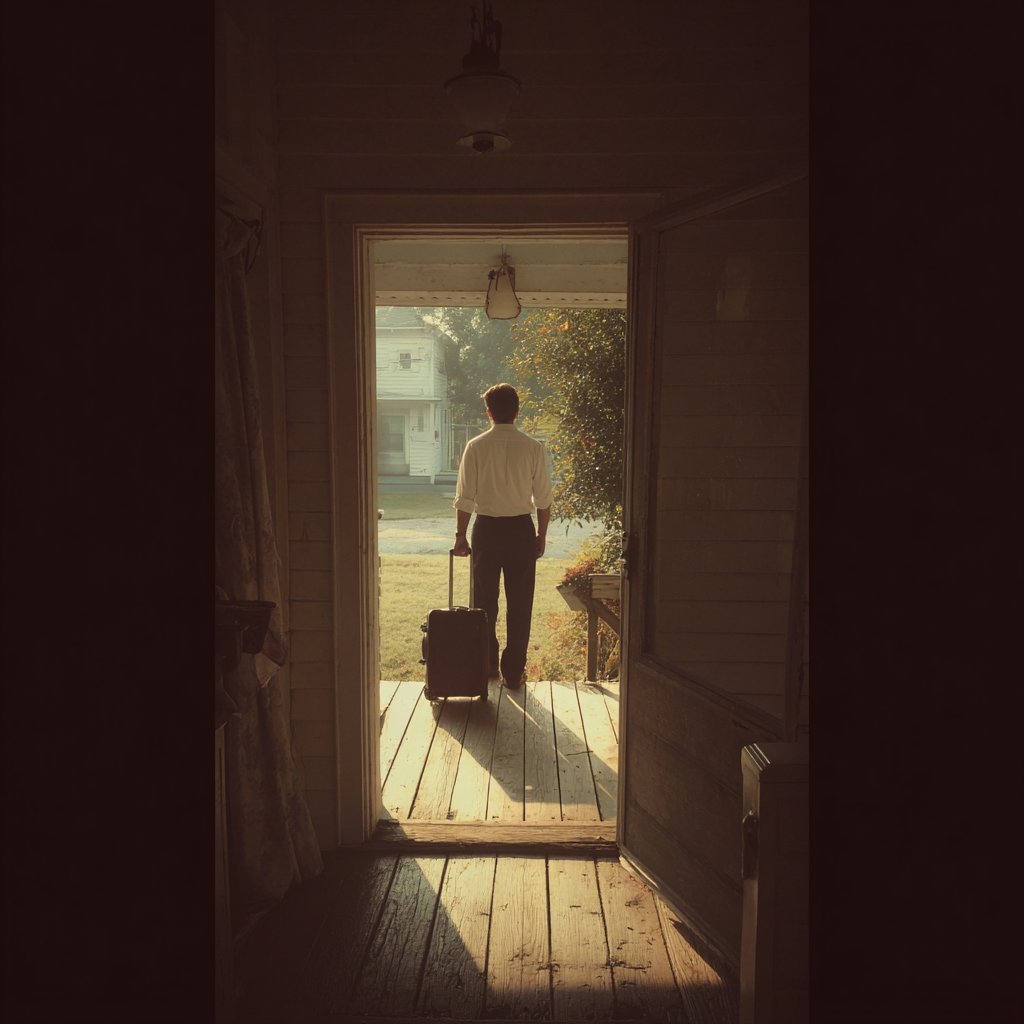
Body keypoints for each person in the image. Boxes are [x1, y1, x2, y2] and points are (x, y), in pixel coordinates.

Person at [452, 383, 552, 688]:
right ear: (517, 411)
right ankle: (513, 672)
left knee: (483, 602)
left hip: (487, 530)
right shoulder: (534, 447)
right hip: (521, 529)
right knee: (520, 603)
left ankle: (488, 664)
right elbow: (544, 500)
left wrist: (460, 536)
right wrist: (541, 536)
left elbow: (465, 497)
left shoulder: (476, 446)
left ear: (489, 412)